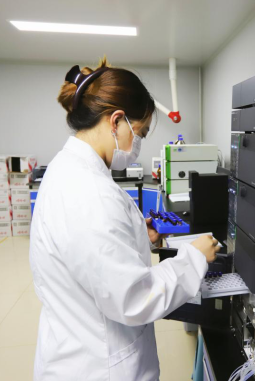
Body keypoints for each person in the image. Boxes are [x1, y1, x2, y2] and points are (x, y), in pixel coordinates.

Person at [29, 58, 220, 381]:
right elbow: (134, 299)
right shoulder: (89, 193)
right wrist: (194, 258)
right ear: (116, 121)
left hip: (73, 342)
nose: (138, 144)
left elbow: (90, 251)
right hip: (98, 366)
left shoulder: (67, 169)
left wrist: (137, 234)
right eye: (140, 132)